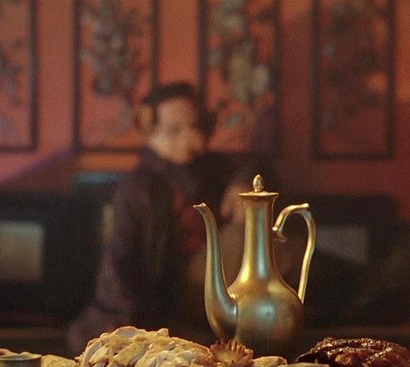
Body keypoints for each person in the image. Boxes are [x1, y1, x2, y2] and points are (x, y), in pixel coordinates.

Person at [67, 81, 264, 352]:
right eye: (174, 130)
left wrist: (243, 182)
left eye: (194, 126)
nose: (190, 136)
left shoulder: (211, 169)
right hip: (167, 297)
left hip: (219, 292)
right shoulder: (138, 187)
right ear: (151, 133)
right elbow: (122, 260)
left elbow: (254, 167)